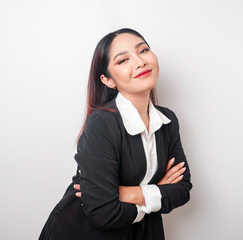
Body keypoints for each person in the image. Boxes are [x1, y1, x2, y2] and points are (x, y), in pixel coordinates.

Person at [38, 28, 192, 240]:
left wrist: (124, 193)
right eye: (123, 60)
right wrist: (157, 193)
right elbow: (103, 212)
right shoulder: (101, 124)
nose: (140, 62)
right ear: (108, 80)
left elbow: (182, 190)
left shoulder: (167, 120)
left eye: (144, 50)